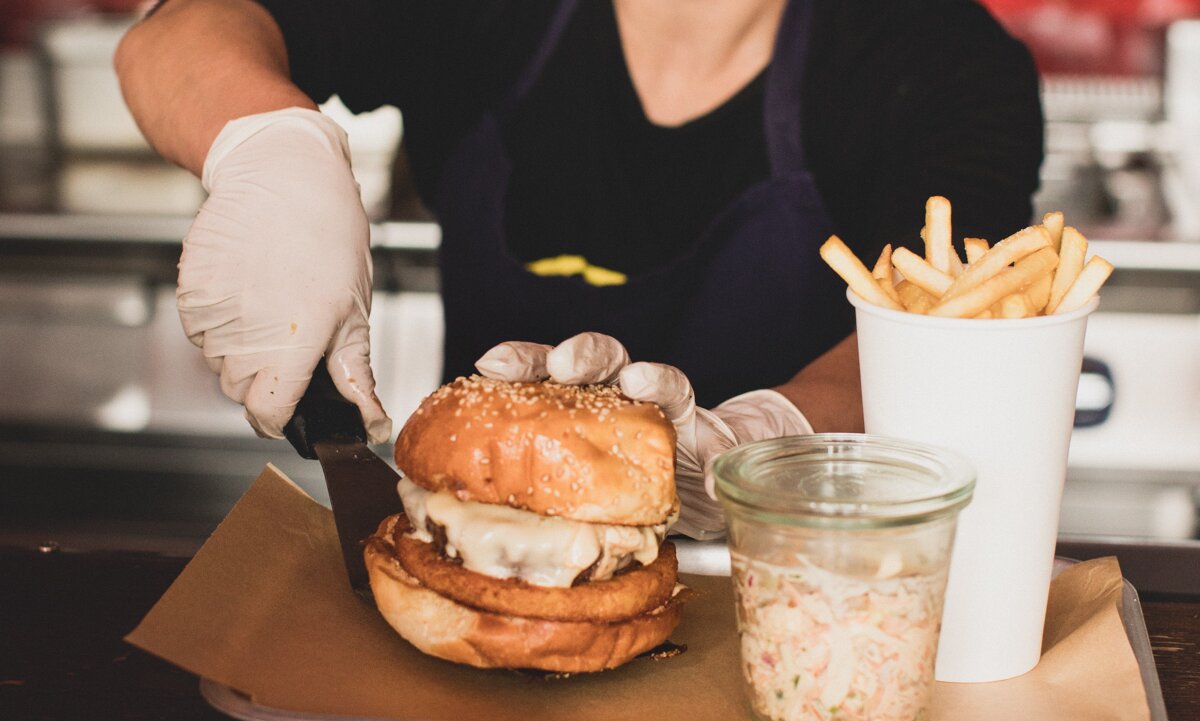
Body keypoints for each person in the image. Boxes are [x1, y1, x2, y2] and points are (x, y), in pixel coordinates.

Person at [115, 0, 1043, 536]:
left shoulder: (945, 62)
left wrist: (763, 444)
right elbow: (177, 35)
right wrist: (270, 147)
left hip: (794, 592)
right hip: (478, 547)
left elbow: (942, 335)